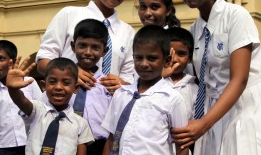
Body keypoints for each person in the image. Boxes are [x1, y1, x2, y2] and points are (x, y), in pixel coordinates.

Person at [172, 0, 261, 155]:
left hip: (245, 105)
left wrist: (203, 124)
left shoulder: (236, 16)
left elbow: (239, 79)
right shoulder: (194, 30)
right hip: (214, 110)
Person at [36, 0, 135, 92]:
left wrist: (121, 84)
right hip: (67, 100)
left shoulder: (127, 31)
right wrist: (70, 72)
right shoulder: (69, 14)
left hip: (106, 106)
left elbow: (129, 77)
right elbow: (43, 60)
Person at [101, 25, 189, 155]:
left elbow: (181, 147)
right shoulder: (121, 93)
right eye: (138, 57)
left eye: (152, 58)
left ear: (167, 60)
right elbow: (111, 139)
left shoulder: (173, 99)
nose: (144, 64)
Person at [6, 57, 94, 155]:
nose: (58, 87)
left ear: (76, 88)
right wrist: (12, 89)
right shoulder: (36, 110)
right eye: (52, 82)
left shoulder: (81, 124)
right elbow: (20, 100)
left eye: (66, 83)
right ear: (44, 85)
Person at [0, 40, 42, 155]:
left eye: (1, 58)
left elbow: (42, 111)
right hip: (4, 148)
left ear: (11, 61)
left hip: (30, 144)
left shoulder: (29, 83)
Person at [69, 19, 112, 154]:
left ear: (104, 51)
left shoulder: (108, 84)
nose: (88, 52)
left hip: (100, 146)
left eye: (95, 47)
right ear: (73, 46)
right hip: (68, 143)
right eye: (82, 45)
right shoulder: (63, 82)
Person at [164, 27, 197, 120]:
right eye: (170, 53)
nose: (174, 59)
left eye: (181, 54)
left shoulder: (193, 88)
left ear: (190, 58)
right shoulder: (154, 83)